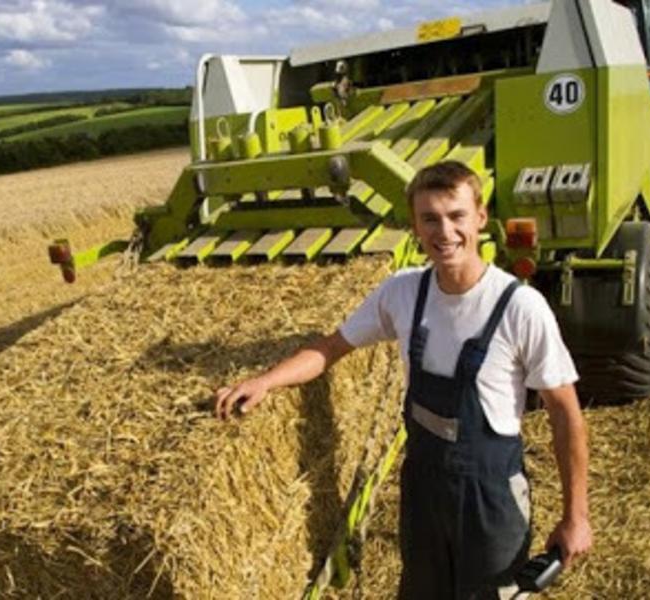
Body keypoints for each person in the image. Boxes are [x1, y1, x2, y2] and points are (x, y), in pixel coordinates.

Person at [215, 161, 591, 598]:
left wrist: (575, 516)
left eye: (456, 216)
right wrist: (267, 381)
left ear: (481, 218)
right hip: (423, 489)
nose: (444, 231)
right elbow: (331, 347)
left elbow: (566, 414)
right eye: (429, 218)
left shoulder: (519, 307)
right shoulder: (403, 293)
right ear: (414, 225)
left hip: (490, 496)